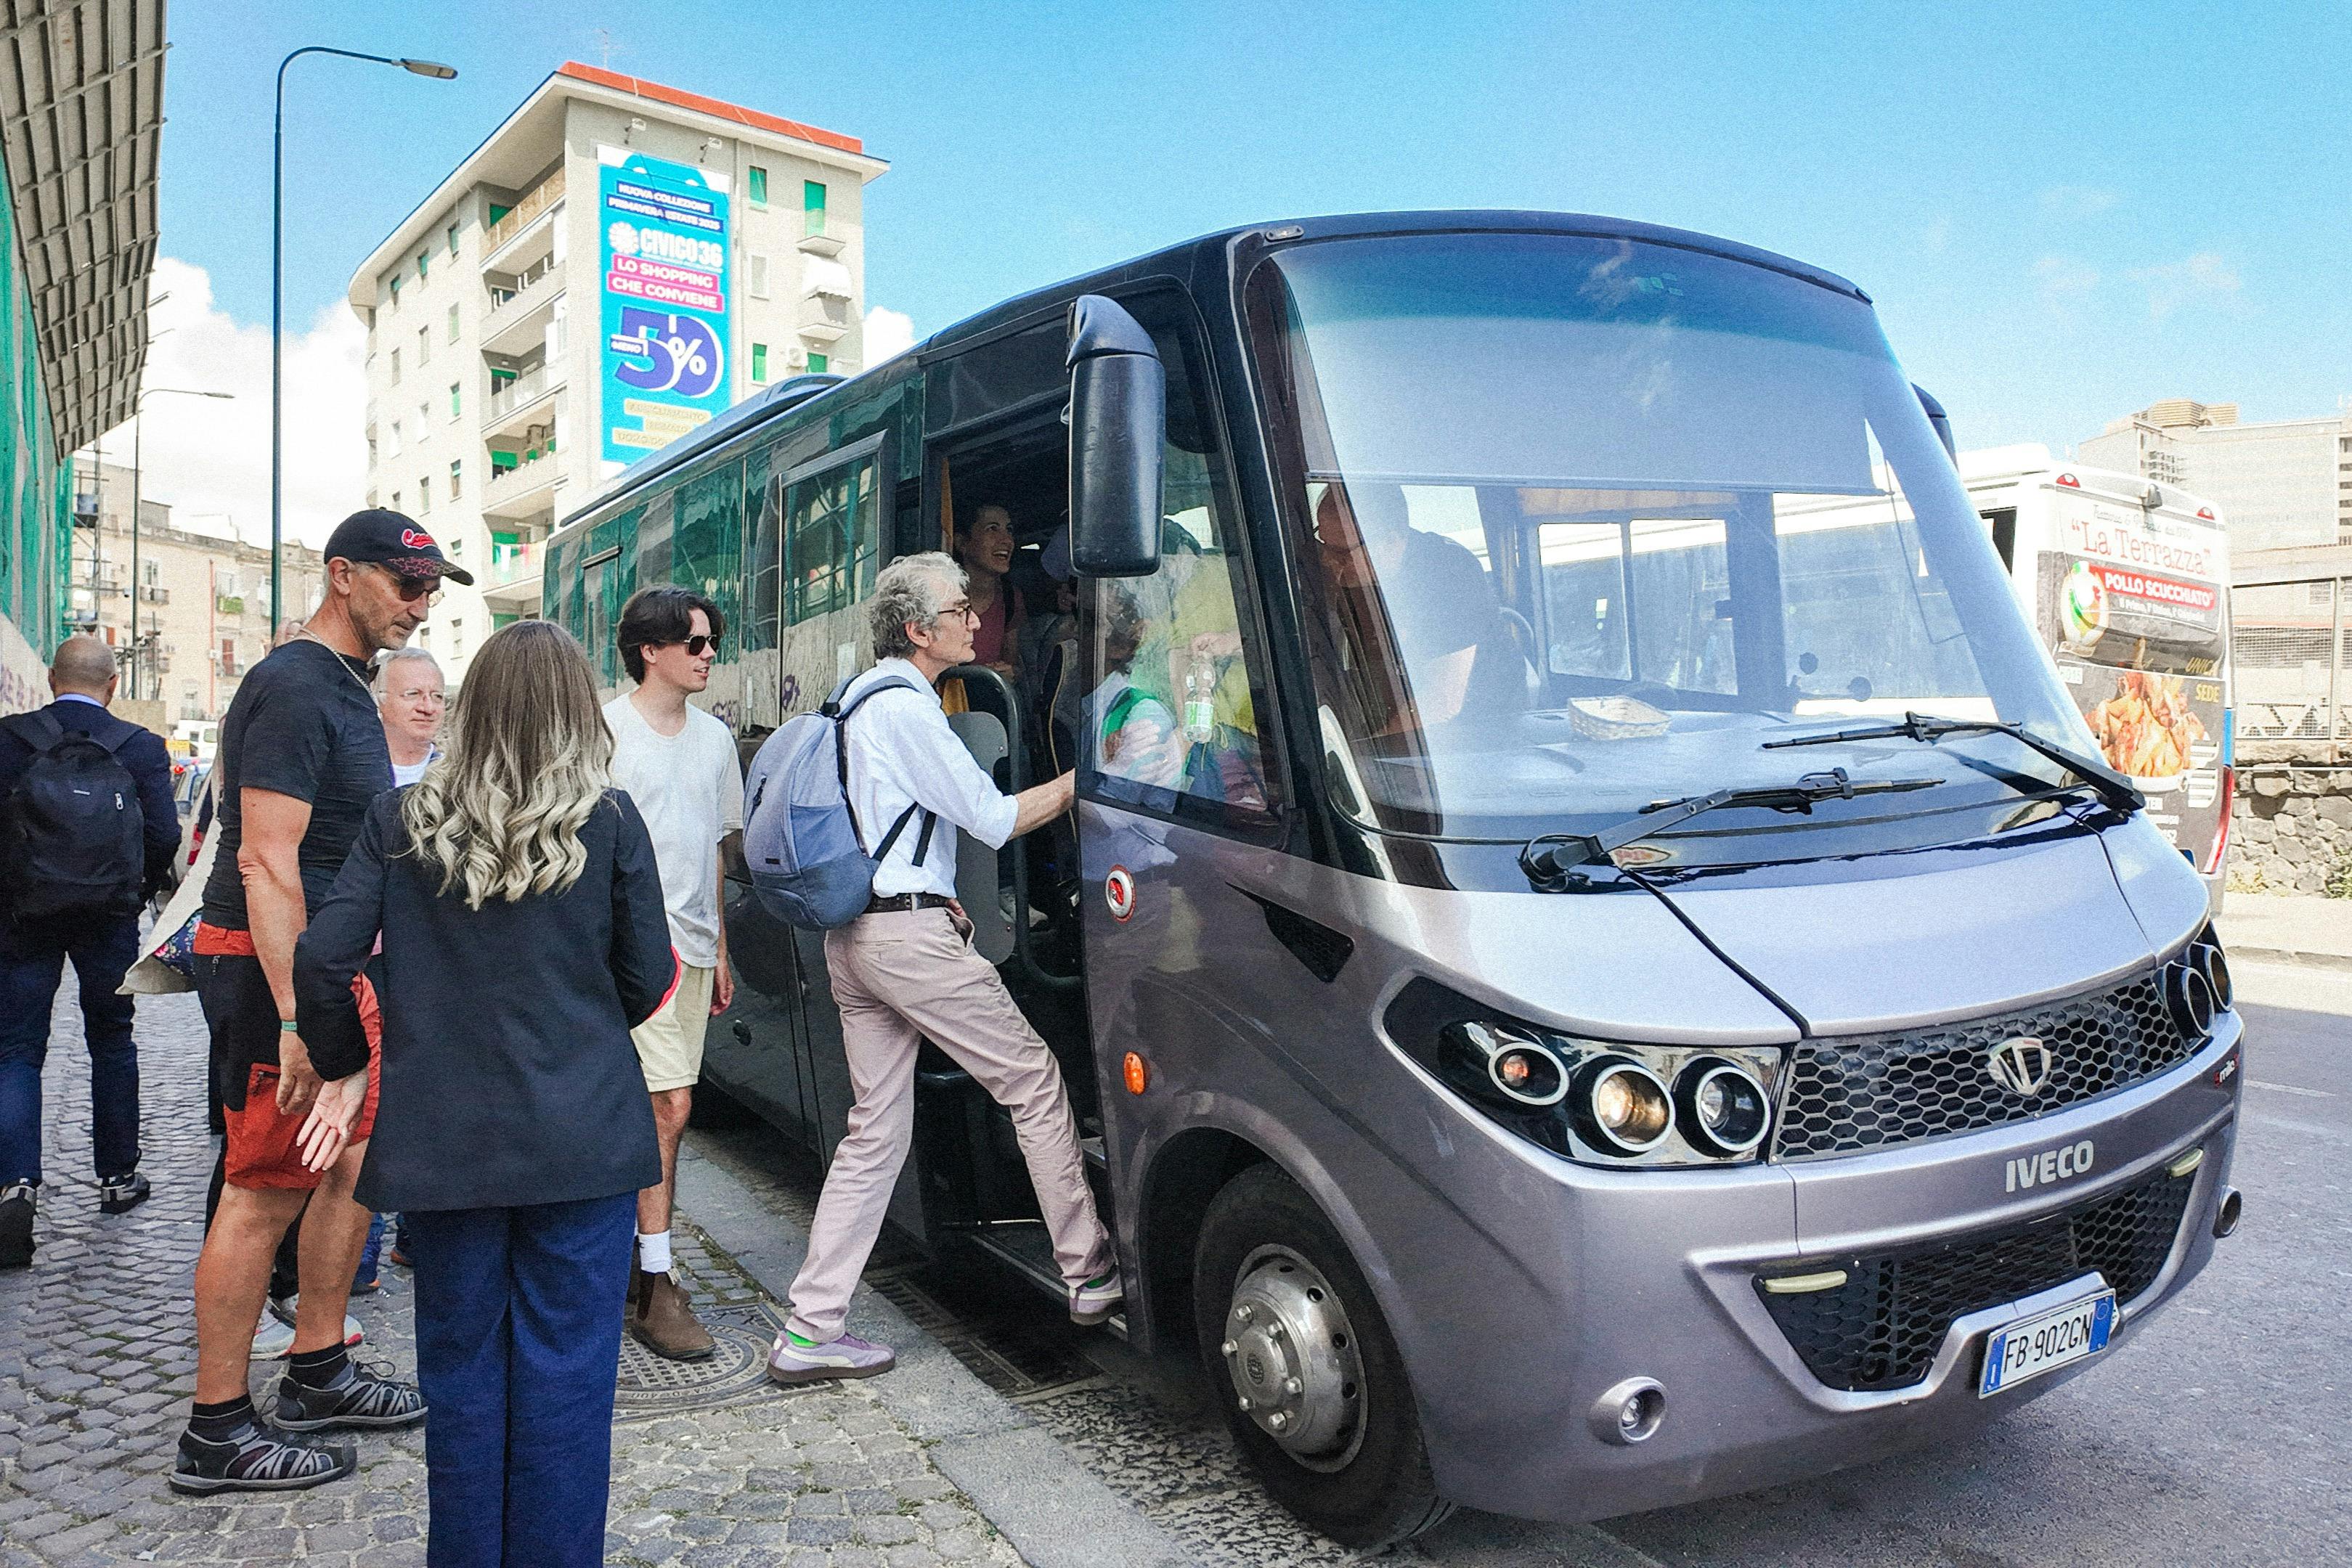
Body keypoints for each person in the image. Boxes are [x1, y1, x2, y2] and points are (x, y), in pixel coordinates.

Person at [292, 619, 672, 1568]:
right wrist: (579, 1026)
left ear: (472, 711)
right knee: (568, 1383)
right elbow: (648, 977)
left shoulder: (401, 820)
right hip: (581, 1138)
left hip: (443, 1142)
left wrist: (346, 1060)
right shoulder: (608, 819)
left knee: (461, 1378)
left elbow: (323, 958)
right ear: (577, 712)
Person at [769, 552, 1120, 1383]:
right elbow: (993, 819)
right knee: (1032, 1080)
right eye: (959, 610)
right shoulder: (906, 709)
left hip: (856, 937)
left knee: (872, 1135)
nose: (974, 619)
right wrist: (1087, 778)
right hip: (907, 942)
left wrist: (935, 890)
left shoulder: (857, 699)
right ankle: (1089, 1272)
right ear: (917, 630)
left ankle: (809, 1330)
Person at [172, 510, 468, 1495]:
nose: (420, 605)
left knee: (348, 1167)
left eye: (431, 590)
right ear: (343, 575)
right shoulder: (297, 683)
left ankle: (318, 1367)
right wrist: (299, 1017)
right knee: (264, 1188)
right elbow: (266, 861)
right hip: (278, 975)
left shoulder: (343, 682)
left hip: (327, 972)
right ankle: (218, 1427)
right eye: (405, 584)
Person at [0, 636, 180, 1265]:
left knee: (17, 1049)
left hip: (22, 915)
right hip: (108, 917)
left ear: (52, 679)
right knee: (112, 1040)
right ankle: (117, 1178)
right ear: (113, 685)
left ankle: (15, 1185)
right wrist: (131, 893)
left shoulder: (9, 739)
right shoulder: (140, 747)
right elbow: (164, 835)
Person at [605, 586, 742, 1360]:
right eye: (694, 642)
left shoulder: (715, 740)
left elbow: (712, 850)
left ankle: (632, 1258)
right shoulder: (606, 732)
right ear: (649, 650)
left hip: (691, 951)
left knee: (659, 1111)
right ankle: (656, 1283)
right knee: (668, 1108)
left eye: (711, 641)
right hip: (627, 955)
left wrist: (719, 947)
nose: (708, 653)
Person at [1314, 481, 1518, 728]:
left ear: (1391, 542)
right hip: (1392, 707)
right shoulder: (1348, 573)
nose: (1327, 560)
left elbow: (1443, 700)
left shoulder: (1450, 573)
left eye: (1340, 552)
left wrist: (1368, 743)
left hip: (1472, 727)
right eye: (1323, 543)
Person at [953, 501, 1023, 678]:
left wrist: (1009, 673)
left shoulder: (1010, 597)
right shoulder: (944, 597)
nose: (1007, 540)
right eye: (993, 529)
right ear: (962, 543)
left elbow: (1011, 663)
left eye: (1009, 530)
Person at [375, 646, 445, 785]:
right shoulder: (352, 770)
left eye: (437, 696)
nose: (428, 708)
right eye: (413, 694)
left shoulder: (458, 772)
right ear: (378, 699)